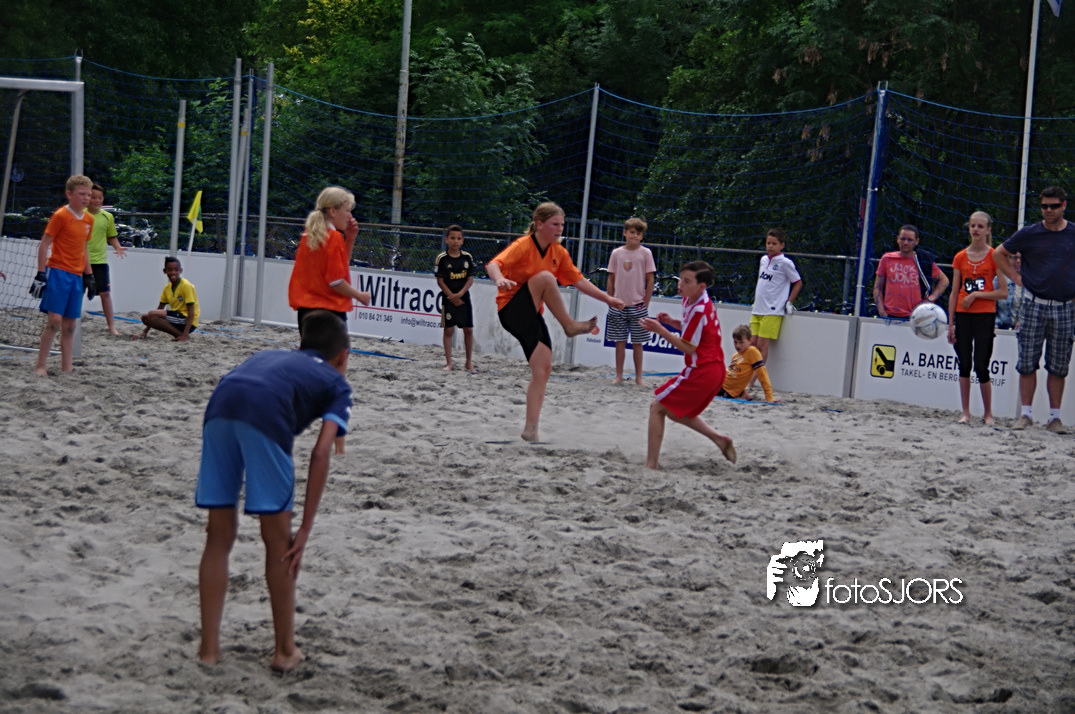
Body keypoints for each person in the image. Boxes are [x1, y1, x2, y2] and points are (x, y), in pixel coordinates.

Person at [195, 309, 352, 672]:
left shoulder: (273, 355)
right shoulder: (338, 383)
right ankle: (284, 651)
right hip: (265, 416)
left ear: (300, 345)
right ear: (344, 356)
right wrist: (305, 529)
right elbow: (321, 453)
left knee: (218, 536)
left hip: (220, 405)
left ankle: (208, 650)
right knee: (280, 542)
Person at [486, 201, 624, 441]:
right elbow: (493, 264)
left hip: (531, 315)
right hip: (511, 309)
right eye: (555, 224)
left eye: (562, 224)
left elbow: (579, 281)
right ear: (539, 224)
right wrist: (499, 279)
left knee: (543, 369)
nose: (560, 229)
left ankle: (531, 429)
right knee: (546, 278)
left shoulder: (559, 252)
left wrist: (608, 299)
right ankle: (569, 325)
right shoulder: (523, 245)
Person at [640, 261, 736, 469]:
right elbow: (690, 329)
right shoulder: (693, 299)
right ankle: (720, 439)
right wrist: (671, 322)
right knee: (674, 411)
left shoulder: (700, 308)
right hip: (711, 369)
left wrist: (660, 330)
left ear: (702, 286)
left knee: (657, 407)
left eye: (686, 281)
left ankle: (651, 464)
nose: (680, 284)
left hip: (704, 370)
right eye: (680, 279)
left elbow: (688, 347)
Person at [994, 186, 1075, 433]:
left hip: (1064, 306)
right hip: (1032, 304)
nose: (1048, 210)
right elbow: (999, 253)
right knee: (1027, 361)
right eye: (1044, 206)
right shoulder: (1029, 233)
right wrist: (1015, 278)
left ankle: (1055, 418)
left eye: (1053, 206)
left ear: (1063, 205)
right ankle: (1025, 414)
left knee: (1059, 365)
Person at [32, 174, 96, 376]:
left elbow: (84, 248)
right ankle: (40, 366)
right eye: (82, 194)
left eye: (88, 195)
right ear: (69, 194)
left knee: (70, 326)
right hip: (58, 272)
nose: (86, 198)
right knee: (54, 321)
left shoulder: (89, 219)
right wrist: (41, 273)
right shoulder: (60, 215)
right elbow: (44, 244)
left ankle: (66, 369)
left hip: (77, 276)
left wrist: (90, 276)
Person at [947, 211, 1006, 425]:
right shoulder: (960, 257)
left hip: (984, 316)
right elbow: (954, 292)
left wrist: (976, 295)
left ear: (988, 230)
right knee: (964, 363)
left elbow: (1003, 292)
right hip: (963, 316)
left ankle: (988, 414)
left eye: (980, 226)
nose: (976, 229)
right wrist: (950, 324)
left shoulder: (995, 256)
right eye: (973, 225)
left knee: (981, 365)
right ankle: (965, 413)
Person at [288, 186, 372, 334]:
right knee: (334, 349)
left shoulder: (310, 235)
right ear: (332, 211)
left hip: (305, 311)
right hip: (329, 312)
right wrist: (359, 296)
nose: (350, 216)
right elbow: (335, 280)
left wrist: (350, 239)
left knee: (310, 349)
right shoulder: (334, 237)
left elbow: (340, 267)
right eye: (347, 210)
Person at [604, 216, 656, 385]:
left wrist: (646, 303)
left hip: (638, 305)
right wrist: (610, 299)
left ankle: (639, 377)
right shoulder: (616, 253)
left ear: (642, 236)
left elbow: (650, 280)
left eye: (638, 233)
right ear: (625, 233)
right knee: (619, 342)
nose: (635, 236)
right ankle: (619, 375)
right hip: (618, 305)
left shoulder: (646, 253)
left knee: (637, 343)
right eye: (632, 232)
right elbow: (611, 278)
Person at [749, 228, 802, 366]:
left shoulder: (786, 263)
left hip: (772, 310)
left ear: (782, 245)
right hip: (758, 308)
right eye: (768, 243)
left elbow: (797, 282)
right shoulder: (763, 260)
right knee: (751, 344)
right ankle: (749, 373)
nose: (770, 246)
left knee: (761, 345)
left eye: (774, 243)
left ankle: (757, 376)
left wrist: (789, 302)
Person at [873, 225, 950, 318]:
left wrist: (930, 299)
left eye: (910, 240)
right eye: (903, 239)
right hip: (889, 315)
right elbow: (877, 287)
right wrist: (881, 311)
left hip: (915, 316)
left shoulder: (922, 260)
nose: (905, 242)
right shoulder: (887, 258)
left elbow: (944, 280)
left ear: (916, 241)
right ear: (897, 239)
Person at [434, 224, 476, 372]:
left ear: (462, 240)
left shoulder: (467, 257)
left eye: (458, 238)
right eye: (452, 238)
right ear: (446, 239)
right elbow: (440, 280)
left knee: (468, 330)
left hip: (464, 298)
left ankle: (468, 362)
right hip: (448, 299)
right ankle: (449, 363)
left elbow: (470, 279)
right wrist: (451, 296)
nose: (455, 241)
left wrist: (460, 294)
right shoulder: (442, 259)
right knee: (448, 330)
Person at [87, 183, 127, 336]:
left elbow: (111, 236)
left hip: (100, 262)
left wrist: (118, 247)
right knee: (76, 293)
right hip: (80, 262)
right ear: (87, 197)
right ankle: (70, 322)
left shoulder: (107, 216)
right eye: (93, 197)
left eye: (100, 197)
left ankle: (111, 327)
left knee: (105, 294)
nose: (97, 200)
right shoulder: (80, 214)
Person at [135, 256, 199, 340]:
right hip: (177, 318)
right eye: (170, 270)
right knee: (145, 317)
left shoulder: (186, 285)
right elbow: (160, 308)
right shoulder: (167, 288)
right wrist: (145, 331)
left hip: (187, 321)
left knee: (152, 314)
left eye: (176, 270)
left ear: (180, 270)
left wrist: (185, 334)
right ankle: (178, 334)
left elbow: (191, 311)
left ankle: (182, 336)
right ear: (165, 271)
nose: (173, 272)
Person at [717, 324, 777, 402]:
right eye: (735, 342)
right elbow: (737, 376)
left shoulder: (752, 351)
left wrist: (769, 397)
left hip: (725, 390)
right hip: (720, 383)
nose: (738, 345)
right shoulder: (735, 355)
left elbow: (762, 374)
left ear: (750, 341)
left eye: (741, 342)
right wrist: (743, 393)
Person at [994, 252, 1022, 331]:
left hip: (1025, 328)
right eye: (1014, 258)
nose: (1018, 261)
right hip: (1001, 328)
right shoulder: (998, 280)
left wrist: (1022, 321)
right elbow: (991, 307)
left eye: (1021, 258)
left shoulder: (1033, 281)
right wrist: (996, 325)